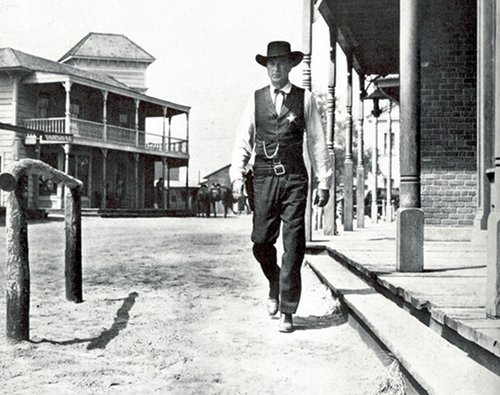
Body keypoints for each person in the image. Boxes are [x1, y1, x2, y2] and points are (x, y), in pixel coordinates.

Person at [230, 41, 332, 333]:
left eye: (281, 63)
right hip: (262, 177)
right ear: (267, 67)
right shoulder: (255, 99)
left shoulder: (306, 99)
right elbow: (243, 139)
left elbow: (316, 141)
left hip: (295, 178)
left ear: (290, 66)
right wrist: (237, 176)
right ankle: (275, 279)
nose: (276, 68)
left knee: (294, 243)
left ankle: (288, 309)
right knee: (261, 241)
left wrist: (323, 180)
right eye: (271, 64)